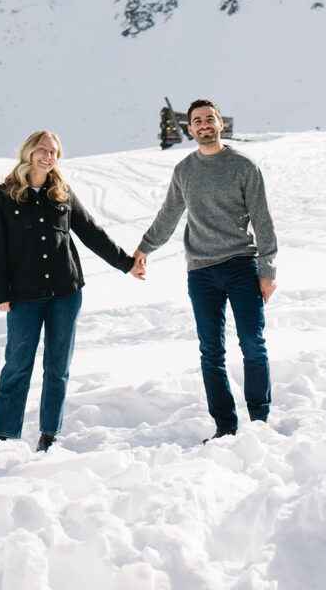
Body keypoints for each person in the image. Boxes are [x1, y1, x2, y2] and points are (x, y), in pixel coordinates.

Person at [0, 130, 145, 452]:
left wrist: (126, 264)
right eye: (43, 150)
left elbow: (92, 233)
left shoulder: (62, 194)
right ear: (29, 152)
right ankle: (4, 434)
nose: (48, 156)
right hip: (23, 296)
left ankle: (50, 434)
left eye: (54, 152)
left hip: (66, 292)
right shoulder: (4, 195)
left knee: (57, 368)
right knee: (18, 365)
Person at [133, 100, 277, 441]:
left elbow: (263, 219)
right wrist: (143, 250)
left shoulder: (244, 165)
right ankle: (225, 426)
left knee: (252, 344)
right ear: (190, 129)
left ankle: (259, 421)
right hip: (200, 272)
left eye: (209, 119)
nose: (204, 125)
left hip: (242, 265)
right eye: (197, 121)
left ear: (220, 124)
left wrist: (267, 269)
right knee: (211, 352)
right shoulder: (184, 170)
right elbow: (168, 215)